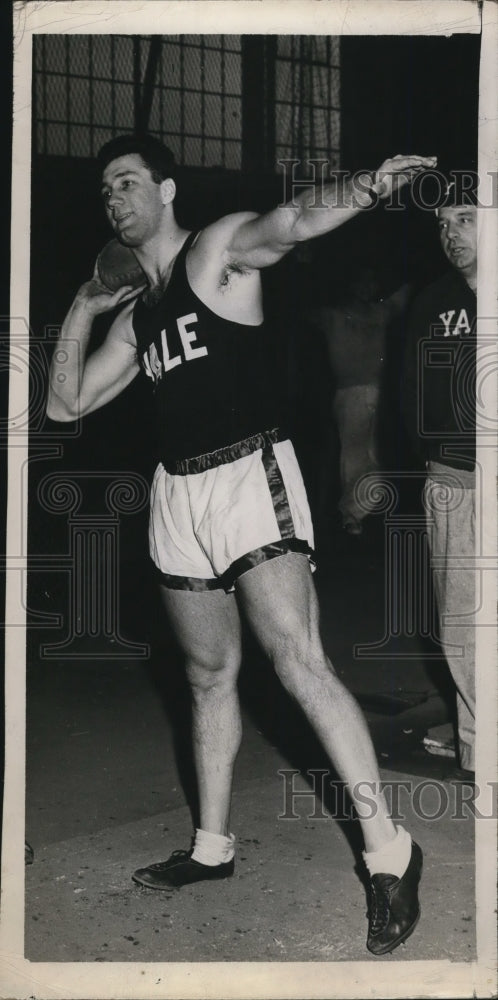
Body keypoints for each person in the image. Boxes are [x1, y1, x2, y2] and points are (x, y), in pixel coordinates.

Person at [46, 134, 436, 955]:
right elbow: (63, 404)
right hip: (176, 493)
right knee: (207, 674)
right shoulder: (140, 313)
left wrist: (368, 185)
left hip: (249, 474)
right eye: (105, 190)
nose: (113, 199)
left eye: (127, 182)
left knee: (297, 659)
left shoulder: (215, 251)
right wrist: (82, 308)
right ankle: (211, 849)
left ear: (168, 188)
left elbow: (290, 223)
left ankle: (391, 853)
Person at [403, 181, 477, 776]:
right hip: (454, 477)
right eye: (443, 223)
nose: (451, 233)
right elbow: (410, 395)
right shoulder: (432, 301)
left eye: (465, 218)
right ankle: (479, 741)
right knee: (461, 618)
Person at [308, 264, 411, 534]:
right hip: (349, 394)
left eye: (371, 284)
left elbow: (406, 293)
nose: (366, 289)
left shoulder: (381, 311)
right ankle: (351, 515)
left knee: (379, 454)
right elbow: (303, 308)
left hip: (381, 392)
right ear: (352, 287)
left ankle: (369, 510)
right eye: (361, 283)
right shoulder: (334, 315)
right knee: (354, 455)